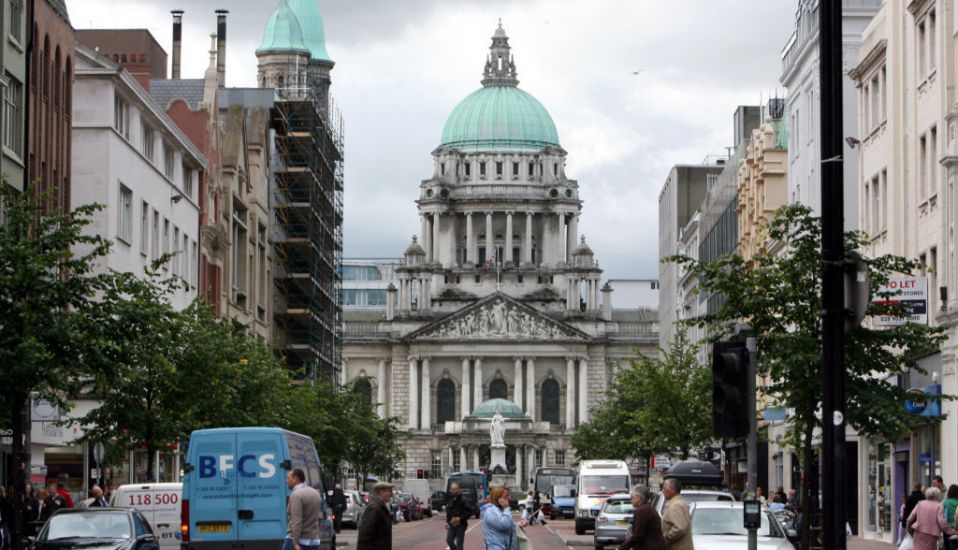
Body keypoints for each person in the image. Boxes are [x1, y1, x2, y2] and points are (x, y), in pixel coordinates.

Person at [284, 469, 323, 550]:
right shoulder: (315, 493)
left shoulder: (296, 495)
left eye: (288, 478)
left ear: (295, 479)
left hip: (298, 541)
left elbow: (297, 521)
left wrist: (295, 543)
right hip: (314, 540)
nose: (286, 481)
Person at [618, 485, 666, 550]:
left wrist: (621, 548)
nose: (630, 500)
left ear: (638, 498)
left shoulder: (642, 511)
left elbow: (637, 535)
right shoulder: (649, 508)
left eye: (632, 497)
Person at [357, 482, 393, 550]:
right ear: (381, 492)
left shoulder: (381, 507)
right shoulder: (375, 509)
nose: (391, 495)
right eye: (389, 491)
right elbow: (365, 534)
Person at [660, 479, 693, 550]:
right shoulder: (680, 503)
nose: (663, 491)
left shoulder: (675, 506)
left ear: (671, 490)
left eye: (664, 488)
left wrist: (666, 538)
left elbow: (680, 528)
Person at [445, 482, 474, 550]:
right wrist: (447, 522)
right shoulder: (450, 498)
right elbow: (449, 510)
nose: (454, 491)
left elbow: (471, 511)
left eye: (455, 489)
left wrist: (460, 518)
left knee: (459, 544)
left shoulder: (463, 499)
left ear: (458, 489)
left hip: (461, 524)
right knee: (449, 540)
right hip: (452, 523)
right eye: (452, 489)